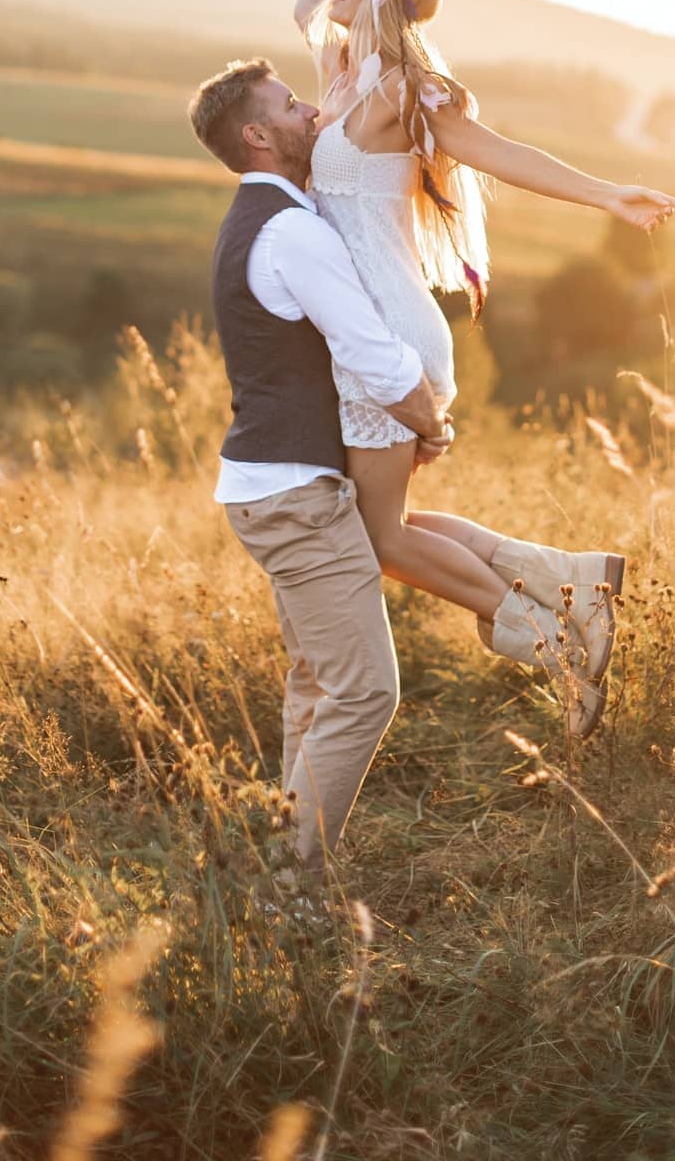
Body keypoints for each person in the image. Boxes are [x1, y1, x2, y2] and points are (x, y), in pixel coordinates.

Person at [187, 57, 597, 878]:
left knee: (317, 681)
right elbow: (371, 351)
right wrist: (427, 418)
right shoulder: (292, 232)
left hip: (280, 487)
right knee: (364, 691)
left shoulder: (271, 217)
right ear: (257, 136)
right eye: (290, 107)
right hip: (292, 497)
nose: (311, 112)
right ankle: (293, 887)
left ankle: (286, 862)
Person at [277, 0, 675, 732]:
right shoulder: (341, 72)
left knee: (379, 537)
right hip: (360, 334)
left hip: (390, 335)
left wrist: (606, 194)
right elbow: (306, 9)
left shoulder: (406, 90)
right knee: (376, 524)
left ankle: (558, 643)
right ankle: (569, 576)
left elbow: (499, 152)